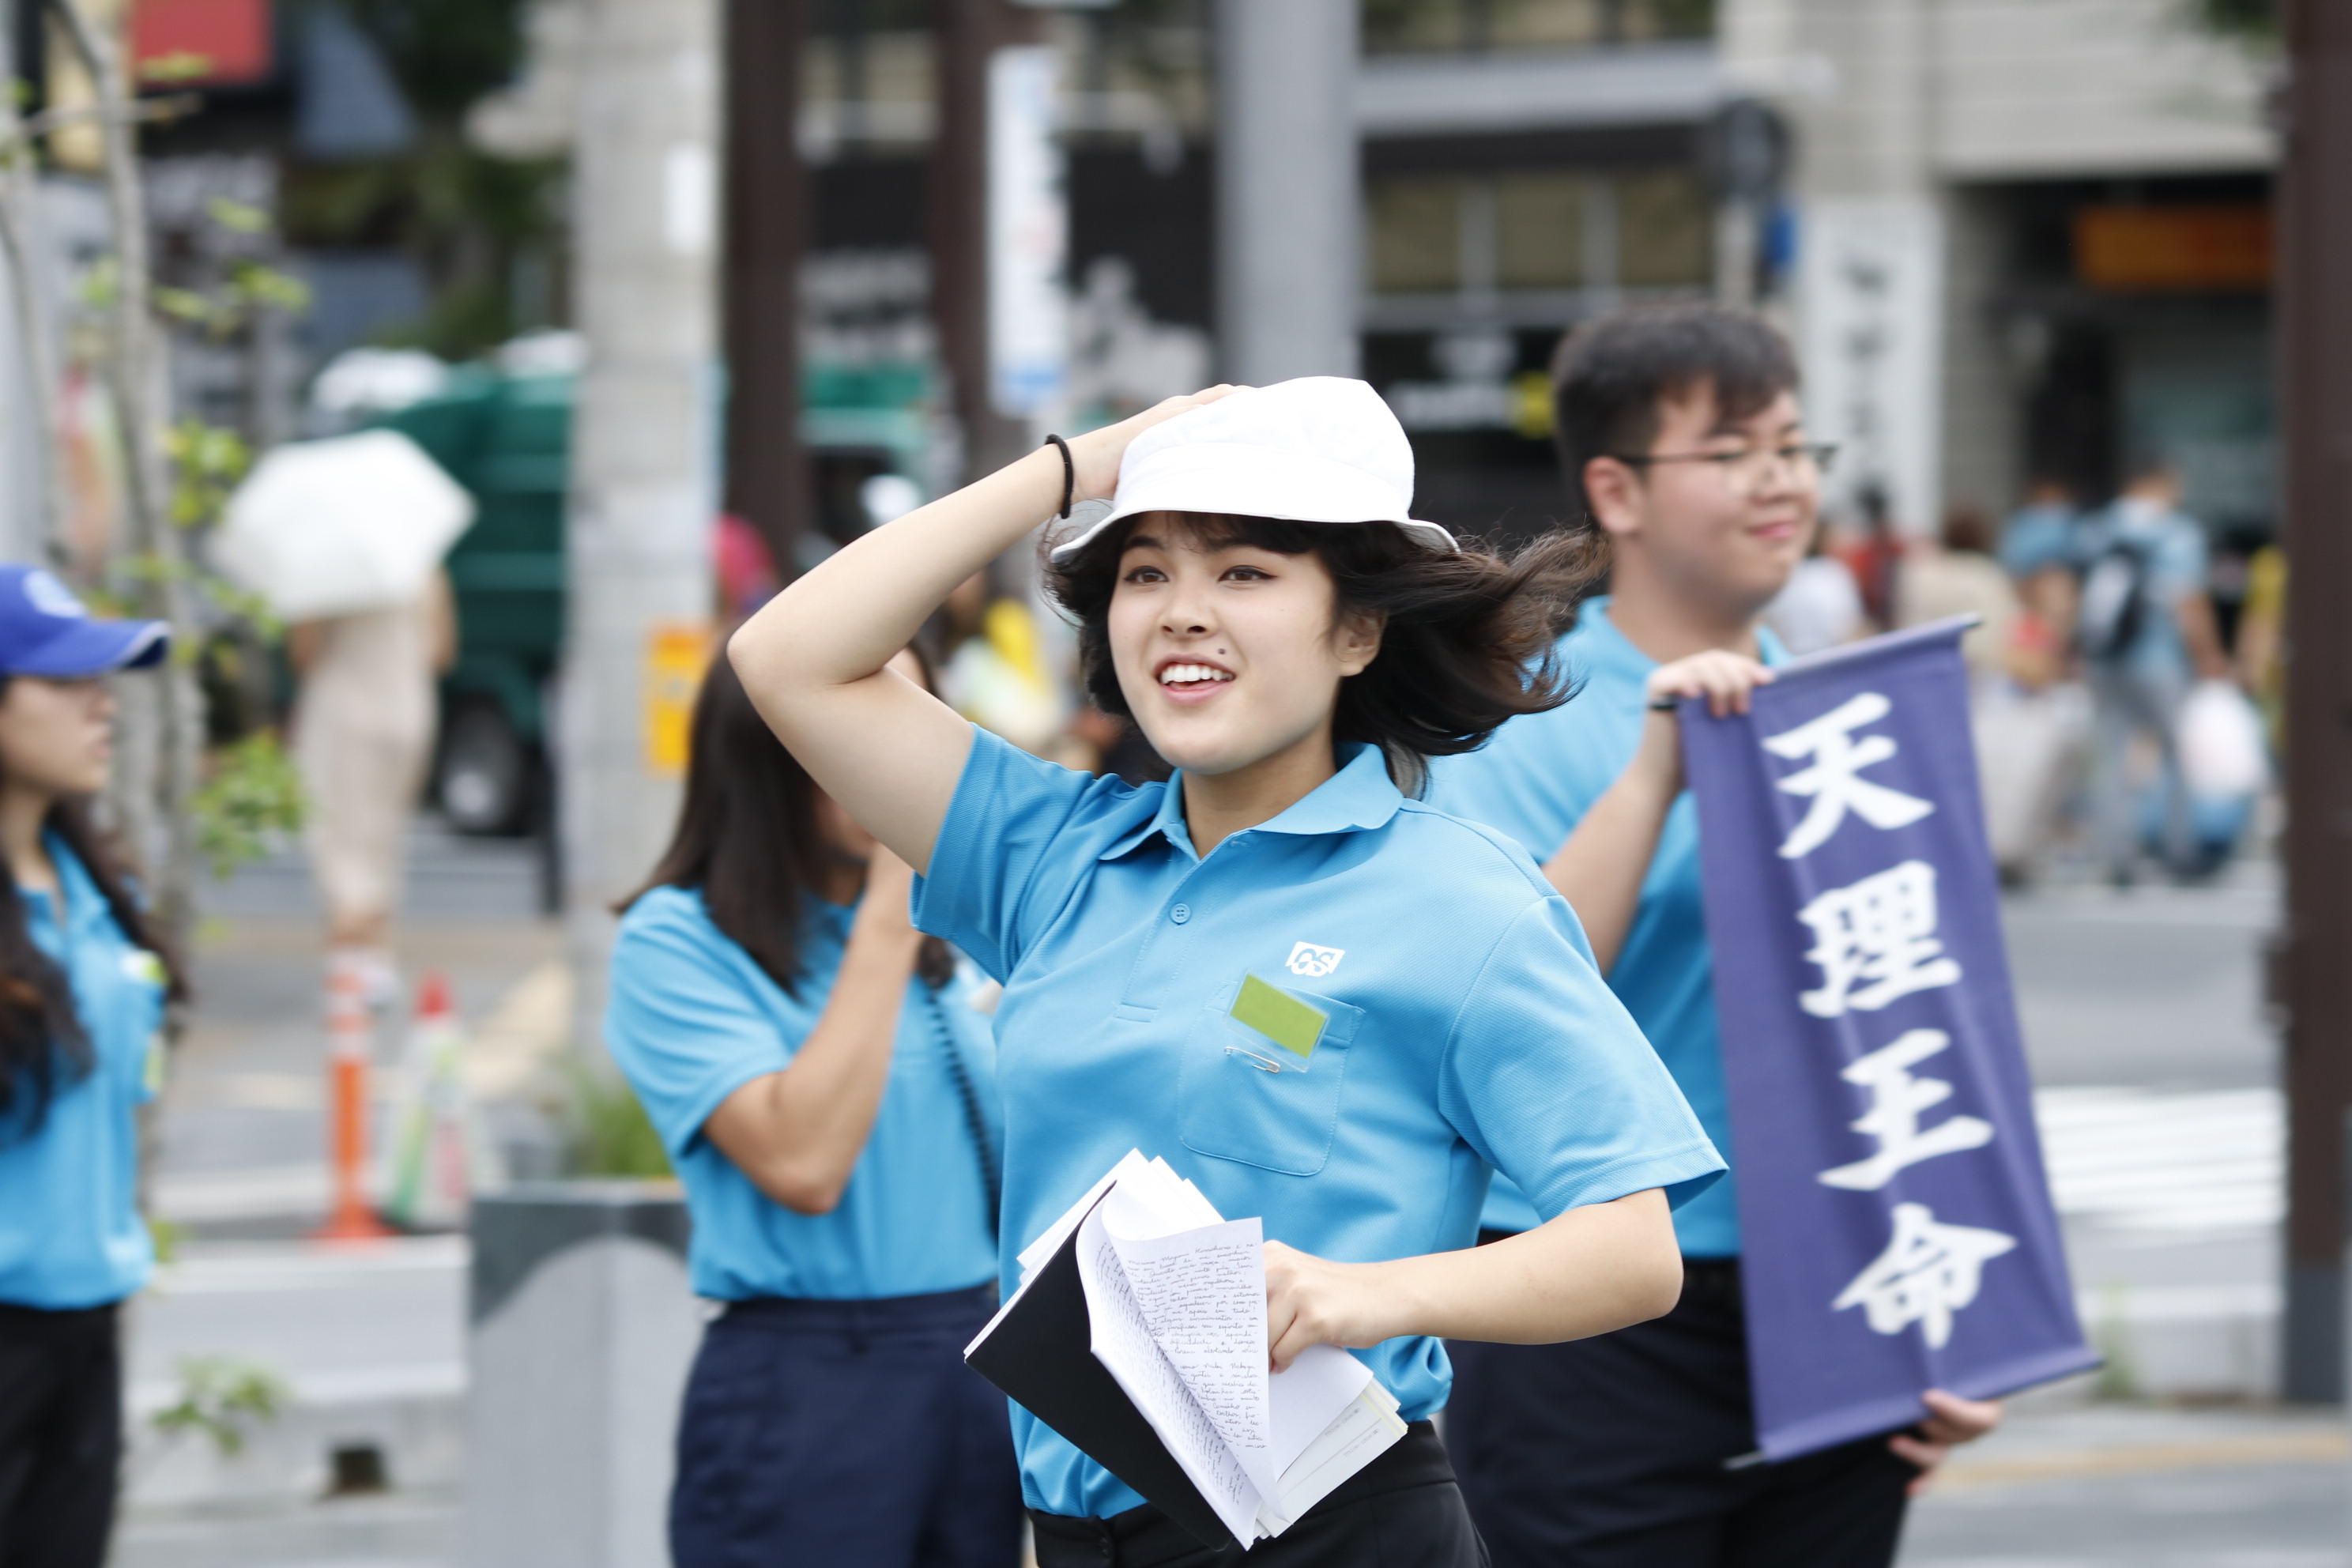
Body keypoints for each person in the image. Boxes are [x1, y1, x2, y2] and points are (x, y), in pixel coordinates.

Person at [729, 375, 1726, 1566]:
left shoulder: (1464, 901)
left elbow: (1632, 1249)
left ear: (1357, 630)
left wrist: (1366, 1296)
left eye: (1244, 572)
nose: (1181, 612)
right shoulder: (1053, 860)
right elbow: (786, 655)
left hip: (1331, 1530)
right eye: (1146, 573)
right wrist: (1077, 466)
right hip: (1069, 1538)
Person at [1426, 303, 2000, 1568]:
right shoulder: (1517, 724)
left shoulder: (1848, 724)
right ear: (1616, 492)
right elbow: (1497, 1004)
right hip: (1589, 1308)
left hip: (1838, 1290)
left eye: (1796, 447)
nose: (1781, 482)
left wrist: (1961, 1305)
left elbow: (1914, 1022)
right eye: (1733, 450)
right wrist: (1651, 779)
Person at [605, 654, 1020, 1568]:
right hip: (808, 1380)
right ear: (770, 748)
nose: (892, 751)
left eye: (911, 717)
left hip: (975, 1365)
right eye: (857, 714)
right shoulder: (678, 942)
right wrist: (890, 902)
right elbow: (802, 1161)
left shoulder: (961, 939)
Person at [0, 565, 184, 1568]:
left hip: (86, 1332)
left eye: (104, 680)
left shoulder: (96, 888)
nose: (98, 702)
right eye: (65, 683)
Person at [287, 568, 454, 1006]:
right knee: (383, 836)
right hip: (408, 705)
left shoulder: (327, 568)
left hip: (345, 708)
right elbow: (440, 651)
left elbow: (305, 652)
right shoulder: (423, 565)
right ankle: (378, 961)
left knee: (340, 839)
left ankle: (345, 966)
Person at [2073, 456, 2231, 884]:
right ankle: (2178, 846)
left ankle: (2114, 853)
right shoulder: (2177, 533)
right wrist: (2209, 656)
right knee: (2177, 751)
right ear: (2160, 483)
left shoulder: (2098, 529)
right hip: (2158, 658)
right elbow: (2189, 602)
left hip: (2105, 658)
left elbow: (2079, 591)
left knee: (2111, 752)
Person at [1996, 477, 2079, 582]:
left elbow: (2076, 552)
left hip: (2060, 575)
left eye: (2052, 494)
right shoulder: (2023, 519)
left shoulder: (2070, 519)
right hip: (2024, 577)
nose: (2049, 498)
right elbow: (2011, 554)